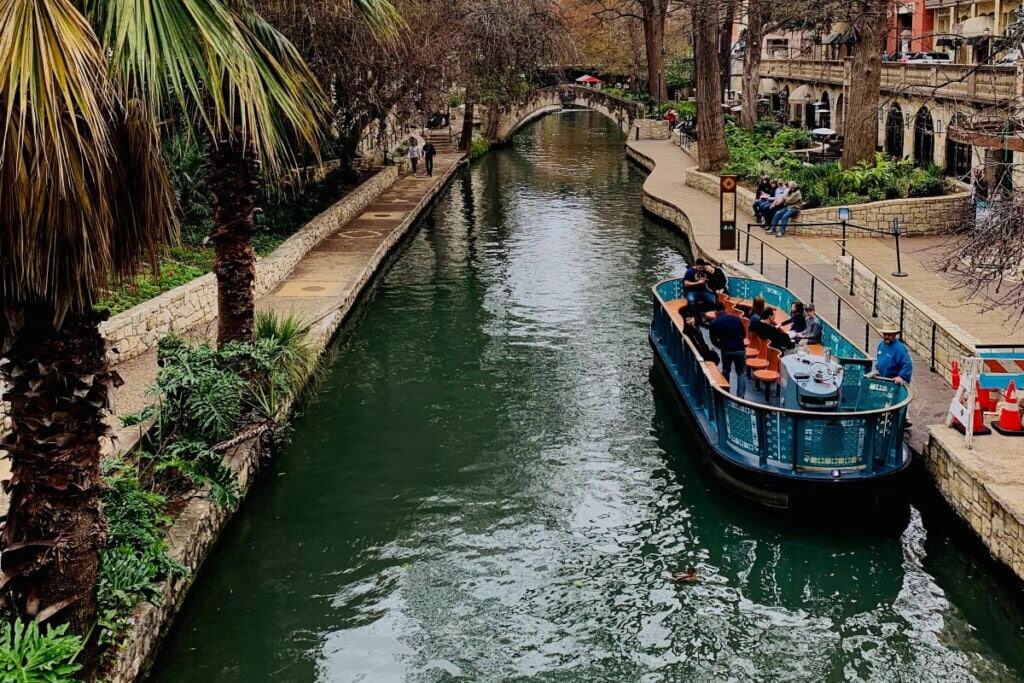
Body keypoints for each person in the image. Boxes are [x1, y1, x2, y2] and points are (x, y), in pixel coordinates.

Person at [709, 311, 748, 396]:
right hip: (739, 349)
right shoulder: (736, 318)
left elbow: (713, 340)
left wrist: (721, 346)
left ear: (716, 313)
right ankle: (740, 397)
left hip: (726, 350)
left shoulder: (714, 323)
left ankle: (726, 393)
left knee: (726, 371)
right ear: (725, 310)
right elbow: (744, 334)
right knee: (741, 373)